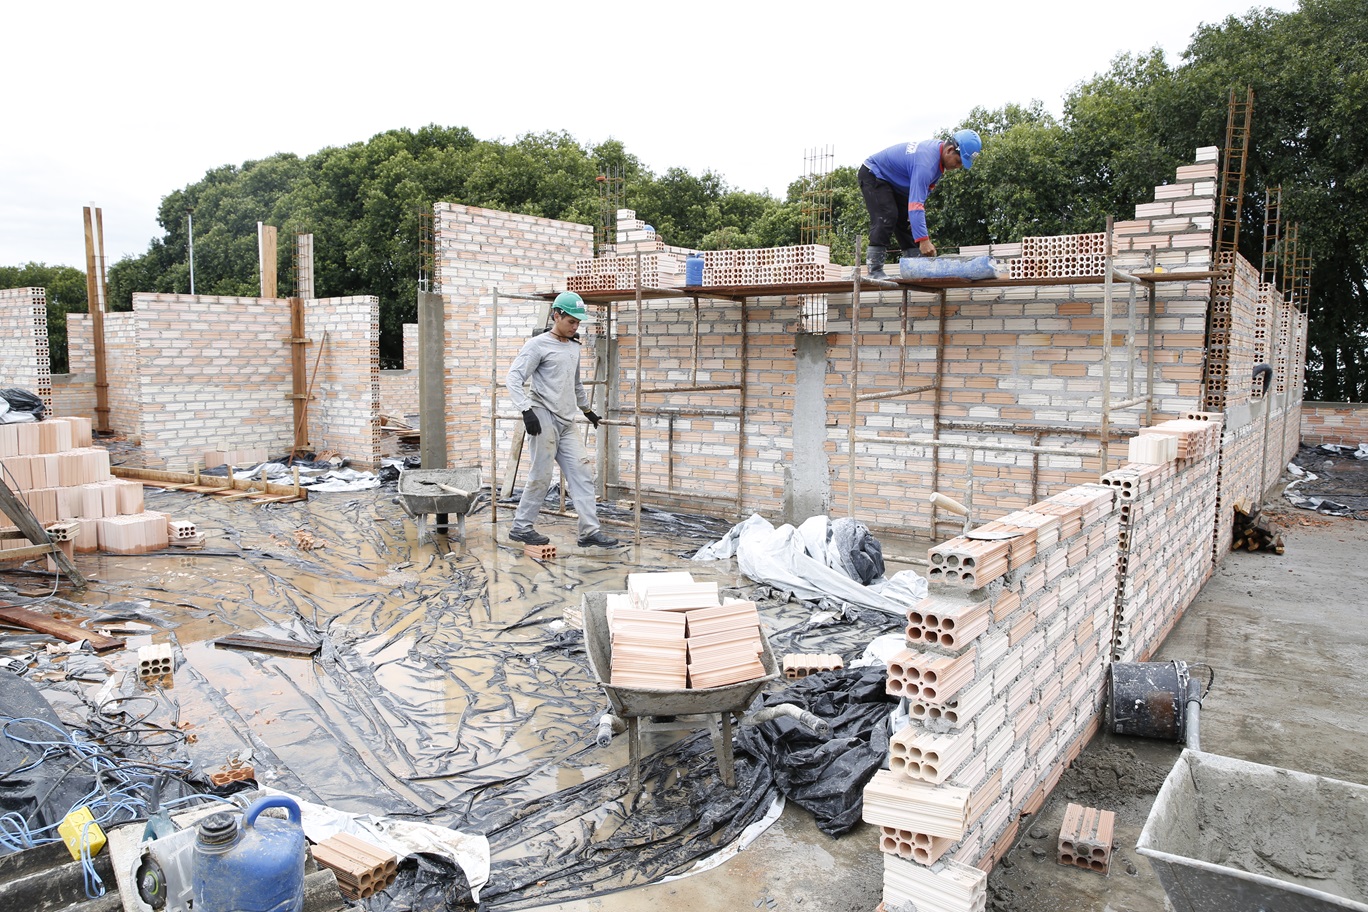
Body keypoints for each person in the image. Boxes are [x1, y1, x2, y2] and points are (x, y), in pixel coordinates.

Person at [506, 291, 620, 548]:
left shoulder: (574, 347)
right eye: (571, 321)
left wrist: (586, 409)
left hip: (567, 421)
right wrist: (526, 410)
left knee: (582, 473)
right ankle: (521, 528)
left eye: (578, 322)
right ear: (556, 315)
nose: (575, 326)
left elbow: (576, 382)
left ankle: (589, 532)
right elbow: (513, 378)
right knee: (541, 474)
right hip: (543, 415)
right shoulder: (537, 345)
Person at [857, 129, 982, 279]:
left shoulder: (938, 161)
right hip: (875, 174)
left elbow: (918, 203)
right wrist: (924, 241)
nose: (958, 166)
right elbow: (916, 205)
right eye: (959, 161)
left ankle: (915, 266)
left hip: (895, 183)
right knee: (887, 215)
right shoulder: (927, 164)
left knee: (906, 221)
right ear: (950, 150)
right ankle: (874, 270)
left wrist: (920, 235)